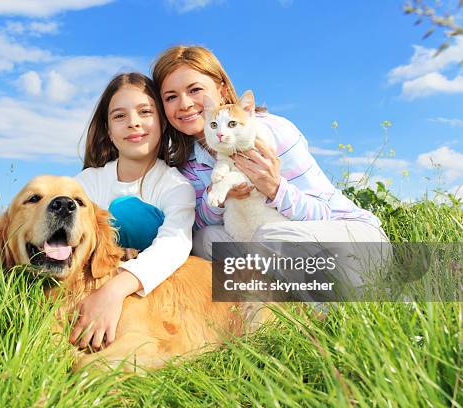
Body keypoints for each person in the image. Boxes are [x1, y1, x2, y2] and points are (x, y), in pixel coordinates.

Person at [151, 45, 390, 296]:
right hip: (275, 248)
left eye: (195, 89)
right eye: (171, 97)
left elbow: (323, 212)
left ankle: (355, 300)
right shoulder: (188, 162)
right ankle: (282, 298)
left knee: (272, 236)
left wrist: (275, 189)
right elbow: (196, 223)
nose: (185, 103)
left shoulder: (273, 132)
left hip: (349, 238)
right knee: (205, 239)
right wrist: (219, 197)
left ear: (221, 89)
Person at [71, 73, 195, 349]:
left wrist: (114, 290)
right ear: (108, 128)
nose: (133, 122)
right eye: (119, 116)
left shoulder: (175, 187)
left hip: (152, 302)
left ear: (162, 121)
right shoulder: (86, 184)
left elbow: (174, 245)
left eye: (145, 112)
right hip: (88, 293)